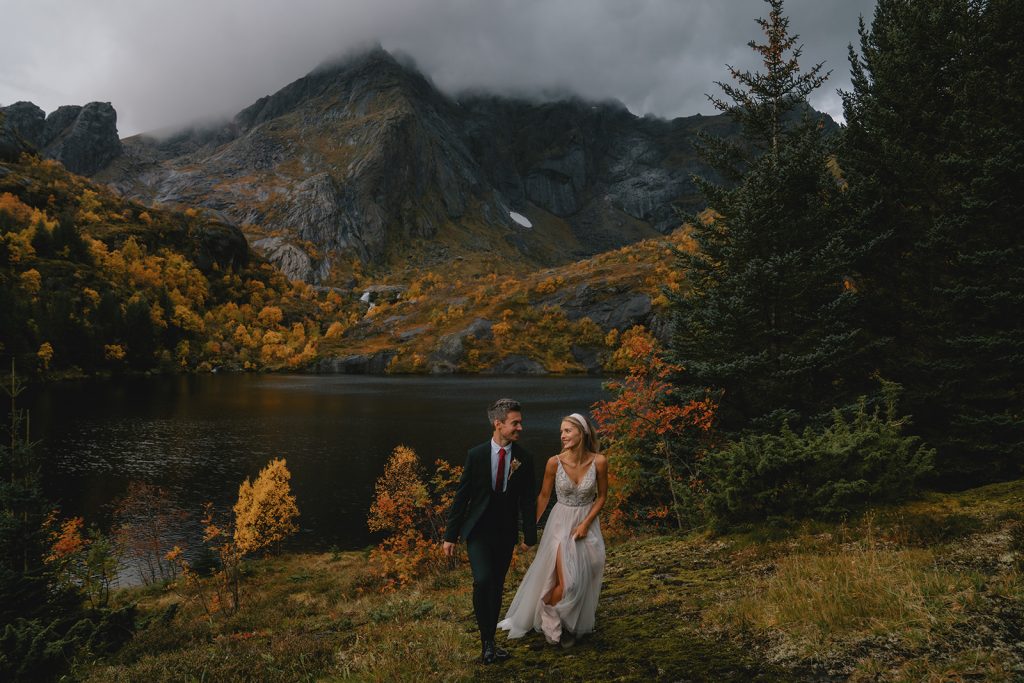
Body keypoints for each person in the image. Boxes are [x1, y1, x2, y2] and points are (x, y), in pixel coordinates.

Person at [498, 412, 607, 647]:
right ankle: (549, 618)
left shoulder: (599, 461)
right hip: (560, 524)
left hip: (586, 521)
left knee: (590, 569)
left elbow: (602, 497)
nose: (562, 435)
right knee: (569, 582)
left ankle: (559, 615)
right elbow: (544, 497)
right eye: (561, 431)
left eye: (567, 430)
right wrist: (529, 531)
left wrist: (586, 523)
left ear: (583, 431)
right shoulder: (554, 462)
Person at [443, 398, 538, 665]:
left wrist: (530, 536)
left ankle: (489, 644)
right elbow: (461, 497)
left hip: (505, 532)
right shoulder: (476, 455)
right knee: (483, 581)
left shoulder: (525, 458)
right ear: (498, 424)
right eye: (515, 423)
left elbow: (528, 500)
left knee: (496, 587)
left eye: (520, 422)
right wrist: (450, 536)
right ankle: (487, 640)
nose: (520, 427)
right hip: (478, 531)